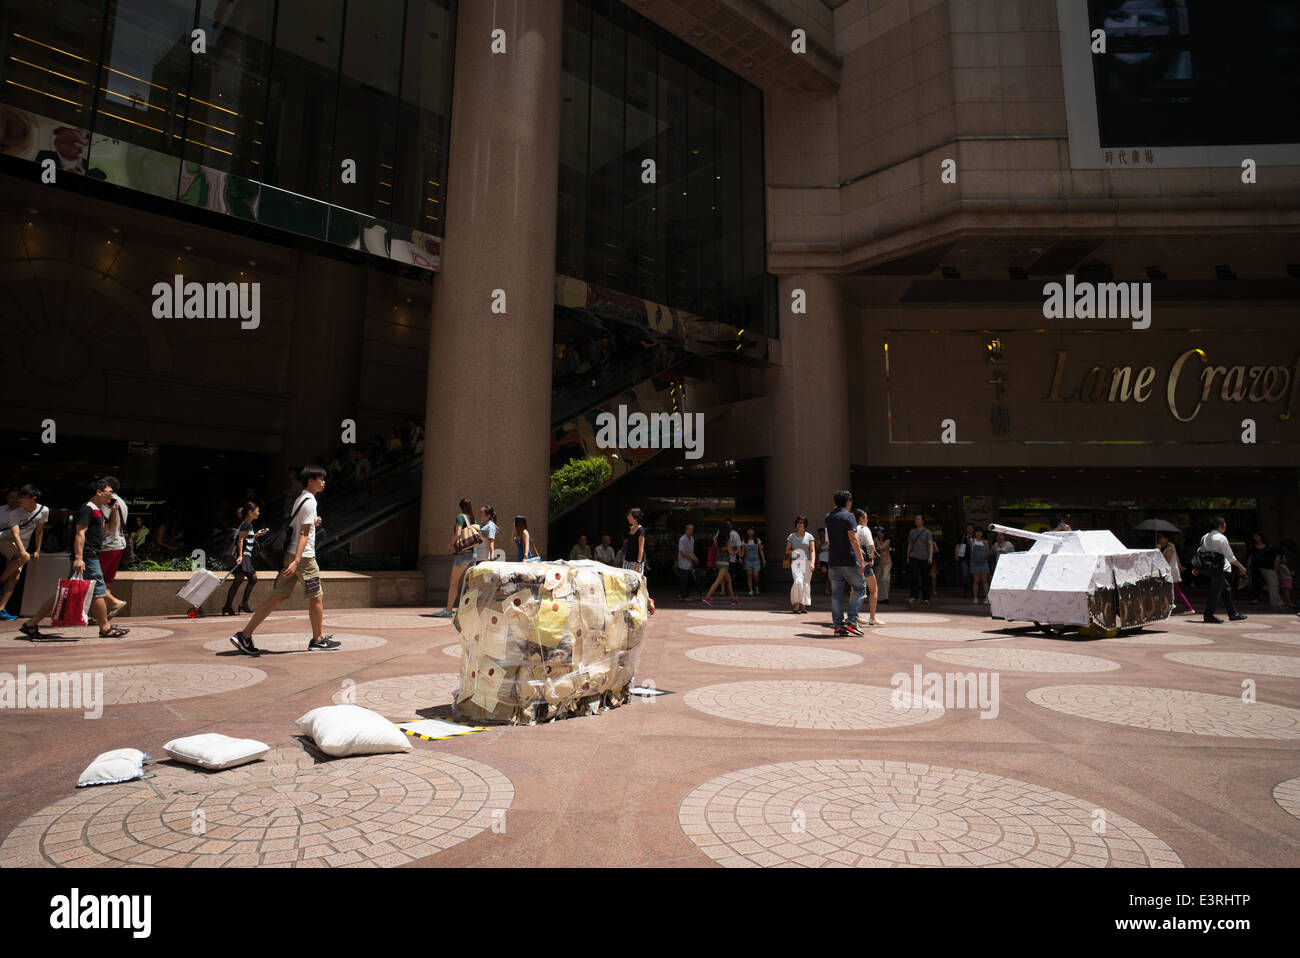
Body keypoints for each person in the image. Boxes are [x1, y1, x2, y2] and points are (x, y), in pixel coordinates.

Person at [230, 466, 339, 654]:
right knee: (316, 597)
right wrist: (297, 560)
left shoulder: (300, 499)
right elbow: (303, 534)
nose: (323, 482)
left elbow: (299, 527)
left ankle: (244, 635)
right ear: (310, 481)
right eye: (320, 479)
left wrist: (313, 523)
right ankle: (318, 640)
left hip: (290, 554)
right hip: (303, 558)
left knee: (276, 596)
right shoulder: (310, 501)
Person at [19, 478, 127, 639]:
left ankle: (31, 624)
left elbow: (110, 529)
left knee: (65, 593)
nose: (112, 496)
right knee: (98, 591)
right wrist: (78, 558)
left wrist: (113, 511)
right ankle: (105, 628)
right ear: (99, 492)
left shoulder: (98, 510)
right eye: (110, 492)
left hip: (91, 556)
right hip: (88, 557)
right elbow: (80, 533)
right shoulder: (87, 509)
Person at [0, 484, 48, 620]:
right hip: (5, 540)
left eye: (22, 497)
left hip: (23, 545)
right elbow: (15, 534)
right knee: (22, 557)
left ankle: (1, 608)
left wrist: (37, 550)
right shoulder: (15, 513)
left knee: (14, 579)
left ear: (33, 498)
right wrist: (23, 552)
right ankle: (1, 581)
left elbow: (39, 531)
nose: (19, 500)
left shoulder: (43, 510)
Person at [826, 491, 866, 637]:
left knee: (836, 593)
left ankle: (838, 627)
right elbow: (853, 539)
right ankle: (852, 620)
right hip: (848, 560)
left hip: (833, 561)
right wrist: (861, 560)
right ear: (848, 502)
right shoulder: (849, 516)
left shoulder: (829, 517)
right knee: (861, 588)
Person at [1196, 516, 1248, 624]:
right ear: (1221, 526)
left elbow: (1200, 551)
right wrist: (1241, 567)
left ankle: (1233, 613)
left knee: (1226, 589)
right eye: (1224, 524)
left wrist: (1196, 567)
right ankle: (1208, 615)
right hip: (1217, 567)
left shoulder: (1205, 536)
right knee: (1215, 592)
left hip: (1209, 567)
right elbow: (1230, 556)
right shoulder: (1221, 538)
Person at [434, 498, 479, 617]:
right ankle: (469, 610)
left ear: (460, 507)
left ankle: (448, 610)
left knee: (454, 582)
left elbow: (458, 533)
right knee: (470, 584)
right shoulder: (473, 518)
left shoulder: (460, 517)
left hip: (463, 554)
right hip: (474, 554)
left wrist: (451, 544)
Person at [221, 502, 265, 615]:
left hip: (245, 556)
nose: (258, 513)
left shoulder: (246, 524)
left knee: (238, 581)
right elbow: (240, 540)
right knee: (253, 578)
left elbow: (245, 538)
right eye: (257, 511)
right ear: (250, 512)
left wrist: (256, 535)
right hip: (244, 556)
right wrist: (240, 556)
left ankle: (227, 606)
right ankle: (243, 604)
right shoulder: (246, 524)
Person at [98, 479, 129, 618]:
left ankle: (114, 603)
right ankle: (102, 615)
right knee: (106, 582)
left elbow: (106, 525)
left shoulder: (108, 502)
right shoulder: (122, 502)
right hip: (119, 545)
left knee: (96, 581)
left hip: (106, 546)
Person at [854, 509, 883, 627]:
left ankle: (854, 617)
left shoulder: (852, 529)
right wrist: (871, 559)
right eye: (865, 517)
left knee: (854, 591)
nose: (867, 519)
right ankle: (872, 617)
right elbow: (871, 546)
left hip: (853, 563)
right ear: (861, 518)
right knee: (874, 589)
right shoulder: (864, 529)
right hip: (864, 564)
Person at [1157, 530, 1194, 615]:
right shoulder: (1169, 547)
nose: (1159, 539)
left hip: (1170, 573)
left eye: (1160, 537)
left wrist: (1157, 552)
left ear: (1166, 538)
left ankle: (1188, 608)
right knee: (1171, 591)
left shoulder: (1169, 548)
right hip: (1169, 573)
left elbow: (1166, 562)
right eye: (1158, 537)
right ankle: (1170, 606)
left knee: (1175, 591)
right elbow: (1176, 559)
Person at [703, 521, 738, 606]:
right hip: (724, 563)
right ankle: (706, 598)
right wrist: (736, 552)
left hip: (718, 562)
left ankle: (733, 599)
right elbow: (731, 553)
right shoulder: (726, 541)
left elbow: (716, 549)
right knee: (718, 581)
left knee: (729, 580)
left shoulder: (716, 540)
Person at [786, 517, 816, 613]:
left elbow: (812, 551)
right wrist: (794, 552)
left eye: (802, 523)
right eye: (798, 522)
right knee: (798, 582)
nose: (800, 524)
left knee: (806, 584)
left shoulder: (809, 536)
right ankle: (796, 604)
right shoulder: (791, 536)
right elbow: (787, 551)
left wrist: (813, 563)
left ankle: (803, 606)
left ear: (805, 524)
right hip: (796, 563)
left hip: (807, 562)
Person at [907, 514, 936, 605]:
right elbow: (910, 544)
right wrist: (907, 556)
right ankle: (913, 597)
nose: (917, 520)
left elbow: (930, 544)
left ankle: (926, 598)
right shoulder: (912, 531)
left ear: (923, 521)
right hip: (914, 556)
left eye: (919, 519)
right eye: (916, 519)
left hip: (925, 557)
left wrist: (930, 556)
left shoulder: (927, 532)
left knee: (925, 578)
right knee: (914, 577)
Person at [968, 527, 991, 605]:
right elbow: (969, 542)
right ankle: (975, 598)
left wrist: (987, 546)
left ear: (982, 533)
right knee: (976, 581)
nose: (978, 533)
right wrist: (968, 537)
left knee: (984, 581)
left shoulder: (985, 542)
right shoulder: (972, 541)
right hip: (974, 562)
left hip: (984, 562)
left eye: (980, 532)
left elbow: (988, 554)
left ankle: (987, 598)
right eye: (977, 532)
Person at [676, 523, 698, 600]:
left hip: (690, 564)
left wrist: (694, 558)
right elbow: (683, 553)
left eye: (692, 529)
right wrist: (692, 558)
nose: (691, 531)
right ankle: (683, 596)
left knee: (689, 580)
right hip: (683, 563)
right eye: (690, 529)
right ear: (686, 530)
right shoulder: (682, 539)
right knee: (684, 580)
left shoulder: (692, 539)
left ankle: (685, 595)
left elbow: (691, 551)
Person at [741, 528, 765, 596]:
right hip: (747, 560)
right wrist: (740, 557)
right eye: (748, 530)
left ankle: (756, 586)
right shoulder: (744, 541)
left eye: (751, 530)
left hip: (756, 560)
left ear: (754, 532)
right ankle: (750, 590)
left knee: (756, 576)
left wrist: (763, 559)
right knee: (749, 575)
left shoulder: (757, 540)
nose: (750, 532)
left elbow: (761, 550)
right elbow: (743, 552)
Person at [622, 508, 646, 574]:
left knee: (635, 582)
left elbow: (641, 549)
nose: (628, 517)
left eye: (630, 515)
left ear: (635, 517)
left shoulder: (641, 530)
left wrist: (638, 563)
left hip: (636, 561)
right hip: (628, 559)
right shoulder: (630, 528)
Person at [874, 527, 892, 604]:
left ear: (884, 533)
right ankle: (879, 598)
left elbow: (881, 548)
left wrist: (877, 541)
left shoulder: (887, 540)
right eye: (878, 533)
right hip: (878, 563)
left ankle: (885, 597)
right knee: (877, 580)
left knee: (885, 579)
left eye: (880, 532)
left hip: (887, 562)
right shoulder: (875, 540)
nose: (879, 534)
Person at [956, 523, 975, 597]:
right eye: (968, 528)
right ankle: (966, 590)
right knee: (965, 574)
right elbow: (957, 545)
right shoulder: (962, 536)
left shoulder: (975, 536)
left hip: (973, 559)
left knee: (972, 575)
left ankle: (972, 591)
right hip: (964, 558)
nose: (969, 529)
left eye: (971, 528)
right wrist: (956, 555)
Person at [816, 527, 831, 595]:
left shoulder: (828, 540)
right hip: (822, 559)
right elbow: (817, 551)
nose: (822, 535)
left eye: (823, 534)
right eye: (820, 534)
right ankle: (822, 577)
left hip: (829, 558)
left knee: (829, 575)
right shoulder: (818, 541)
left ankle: (827, 589)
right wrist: (821, 543)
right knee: (824, 571)